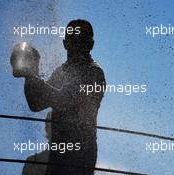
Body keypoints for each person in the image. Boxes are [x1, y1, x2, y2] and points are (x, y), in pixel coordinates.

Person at [14, 19, 106, 175]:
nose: (76, 45)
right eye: (72, 40)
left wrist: (31, 75)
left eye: (81, 40)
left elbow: (63, 100)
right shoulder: (60, 72)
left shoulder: (94, 73)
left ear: (90, 45)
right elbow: (36, 103)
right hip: (58, 155)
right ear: (65, 44)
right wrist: (31, 73)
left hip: (79, 155)